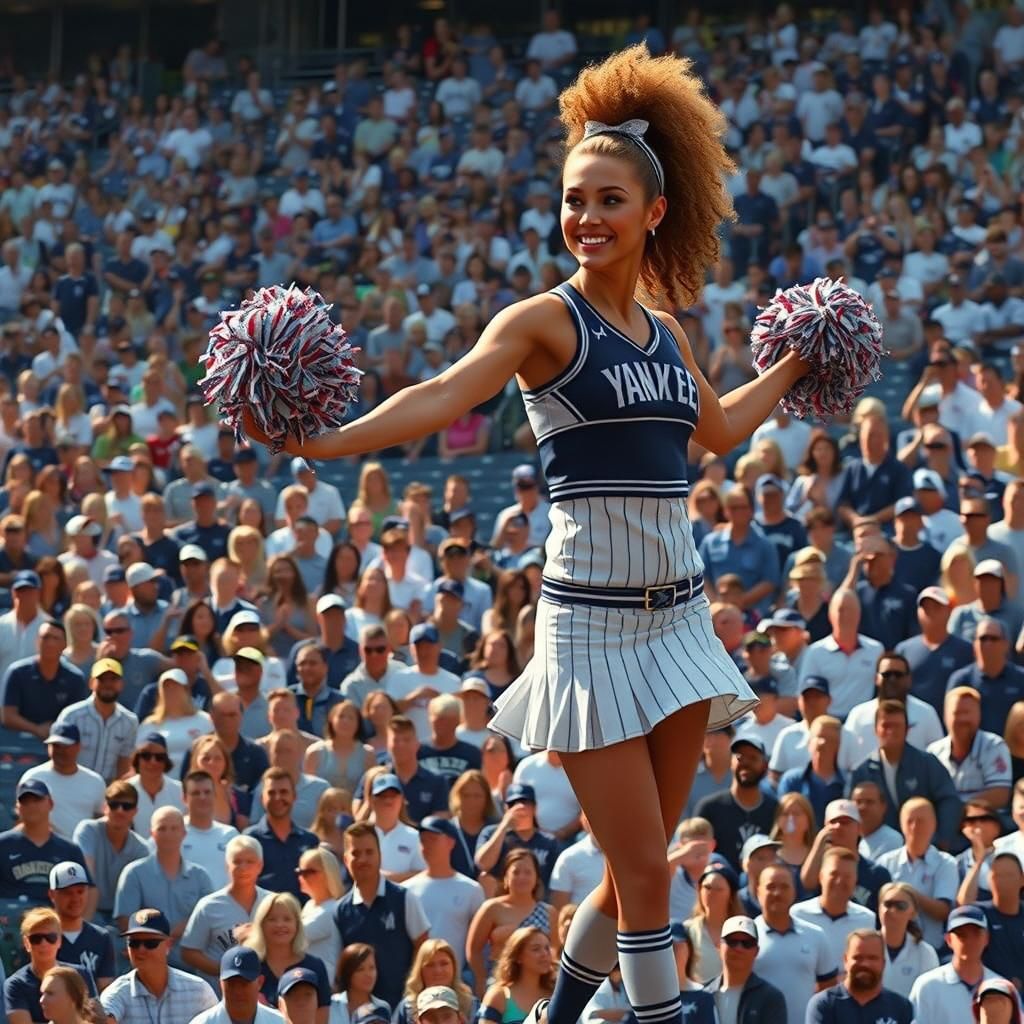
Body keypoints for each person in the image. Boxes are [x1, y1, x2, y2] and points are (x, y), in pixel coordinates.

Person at [245, 45, 809, 1024]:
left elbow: (717, 430)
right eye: (572, 199)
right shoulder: (541, 323)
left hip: (677, 622)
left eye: (607, 200)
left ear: (653, 212)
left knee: (643, 863)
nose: (585, 217)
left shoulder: (669, 335)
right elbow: (443, 391)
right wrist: (327, 441)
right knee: (642, 870)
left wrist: (798, 363)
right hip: (588, 632)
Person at [334, 822, 431, 1010]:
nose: (363, 859)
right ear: (346, 860)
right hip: (360, 1015)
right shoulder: (341, 911)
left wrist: (413, 996)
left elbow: (423, 948)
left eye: (369, 852)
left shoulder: (405, 898)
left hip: (403, 1008)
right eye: (356, 853)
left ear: (380, 856)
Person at [848, 700, 964, 849]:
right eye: (886, 726)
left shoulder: (927, 764)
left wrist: (943, 839)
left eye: (896, 726)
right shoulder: (862, 772)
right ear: (876, 729)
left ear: (907, 730)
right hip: (880, 848)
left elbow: (948, 800)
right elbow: (852, 811)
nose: (890, 731)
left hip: (925, 845)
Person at [113, 806, 214, 964]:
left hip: (192, 965)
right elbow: (125, 921)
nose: (168, 834)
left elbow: (209, 920)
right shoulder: (134, 873)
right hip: (148, 961)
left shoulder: (200, 877)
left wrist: (186, 926)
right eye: (162, 828)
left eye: (174, 828)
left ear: (184, 833)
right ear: (151, 834)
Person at [100, 908, 218, 1024]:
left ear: (168, 945)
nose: (141, 949)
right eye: (134, 943)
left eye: (150, 943)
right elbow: (105, 1017)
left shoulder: (199, 990)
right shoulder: (116, 993)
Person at [180, 834, 272, 983]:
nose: (243, 868)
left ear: (260, 866)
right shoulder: (209, 906)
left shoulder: (272, 903)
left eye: (250, 862)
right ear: (227, 866)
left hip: (265, 990)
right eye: (237, 862)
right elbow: (188, 952)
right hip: (218, 991)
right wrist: (227, 971)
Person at [752, 862, 837, 1024]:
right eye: (770, 887)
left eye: (784, 887)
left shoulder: (816, 935)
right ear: (758, 892)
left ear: (794, 892)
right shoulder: (746, 938)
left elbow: (829, 991)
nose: (777, 893)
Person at [405, 817, 485, 972]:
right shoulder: (407, 889)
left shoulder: (471, 890)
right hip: (417, 979)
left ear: (451, 843)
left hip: (459, 980)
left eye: (433, 839)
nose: (427, 846)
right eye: (423, 841)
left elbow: (479, 943)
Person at [909, 906, 1009, 1024]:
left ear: (986, 938)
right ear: (949, 940)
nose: (969, 941)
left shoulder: (1003, 989)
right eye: (962, 935)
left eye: (976, 934)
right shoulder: (927, 986)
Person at [242, 892, 331, 1021]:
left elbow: (322, 1018)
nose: (280, 925)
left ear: (297, 925)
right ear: (261, 924)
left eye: (287, 919)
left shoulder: (315, 966)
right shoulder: (249, 965)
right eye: (272, 919)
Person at [694, 737, 778, 870]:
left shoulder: (775, 809)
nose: (745, 762)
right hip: (718, 885)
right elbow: (696, 853)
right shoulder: (709, 808)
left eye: (753, 758)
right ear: (730, 762)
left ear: (765, 766)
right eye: (740, 757)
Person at [791, 848, 876, 978]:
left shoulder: (866, 919)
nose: (839, 881)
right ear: (821, 877)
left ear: (855, 881)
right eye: (834, 874)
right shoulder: (798, 914)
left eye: (847, 876)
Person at [71, 780, 149, 920]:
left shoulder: (141, 849)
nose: (120, 810)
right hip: (88, 909)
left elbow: (136, 897)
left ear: (135, 811)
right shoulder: (88, 831)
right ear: (104, 807)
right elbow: (86, 880)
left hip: (122, 917)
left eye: (126, 806)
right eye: (114, 805)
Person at [52, 656, 138, 783]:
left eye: (113, 679)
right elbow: (58, 755)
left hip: (108, 790)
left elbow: (124, 763)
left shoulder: (130, 721)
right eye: (102, 679)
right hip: (72, 783)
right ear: (91, 683)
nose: (108, 684)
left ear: (121, 684)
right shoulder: (72, 715)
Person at [0, 779, 87, 903]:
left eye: (37, 800)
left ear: (50, 803)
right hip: (9, 918)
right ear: (17, 807)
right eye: (25, 802)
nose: (32, 806)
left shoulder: (69, 850)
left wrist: (79, 921)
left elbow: (87, 890)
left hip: (55, 918)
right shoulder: (3, 845)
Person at [4, 906, 95, 1024]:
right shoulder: (16, 984)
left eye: (50, 938)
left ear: (59, 941)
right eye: (36, 939)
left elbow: (96, 1018)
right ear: (26, 943)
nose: (44, 943)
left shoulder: (80, 974)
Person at [18, 721, 107, 840]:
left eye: (66, 746)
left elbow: (100, 823)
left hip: (83, 851)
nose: (61, 751)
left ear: (78, 747)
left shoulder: (95, 782)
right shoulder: (33, 777)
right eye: (56, 746)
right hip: (44, 847)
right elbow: (21, 817)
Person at [1, 619, 88, 741]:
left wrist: (54, 729)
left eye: (55, 638)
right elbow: (8, 716)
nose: (50, 643)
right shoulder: (17, 672)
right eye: (45, 637)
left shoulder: (75, 678)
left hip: (60, 743)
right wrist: (36, 729)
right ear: (37, 641)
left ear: (65, 645)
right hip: (17, 744)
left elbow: (77, 719)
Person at [806, 929, 914, 1024]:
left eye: (872, 958)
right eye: (858, 957)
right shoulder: (825, 1004)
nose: (865, 964)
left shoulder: (900, 1007)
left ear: (883, 963)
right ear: (845, 960)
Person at [244, 766, 320, 898]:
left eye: (284, 792)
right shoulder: (250, 840)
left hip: (303, 916)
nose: (278, 798)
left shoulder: (310, 840)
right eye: (271, 793)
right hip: (262, 916)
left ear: (294, 796)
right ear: (262, 798)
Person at [474, 783, 560, 891]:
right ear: (506, 808)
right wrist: (504, 826)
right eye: (513, 804)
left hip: (536, 900)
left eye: (525, 802)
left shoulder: (549, 841)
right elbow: (483, 864)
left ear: (535, 808)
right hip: (501, 899)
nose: (520, 807)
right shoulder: (491, 832)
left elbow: (556, 882)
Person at [703, 915, 787, 1024]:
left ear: (756, 951)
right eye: (732, 941)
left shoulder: (771, 998)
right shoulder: (704, 996)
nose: (739, 948)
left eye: (747, 943)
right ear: (719, 946)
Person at [47, 861, 115, 993]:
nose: (75, 898)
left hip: (89, 1011)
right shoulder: (41, 937)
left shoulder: (101, 937)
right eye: (68, 892)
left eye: (80, 891)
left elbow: (105, 989)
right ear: (52, 894)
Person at [188, 945, 285, 1024]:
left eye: (244, 983)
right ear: (220, 983)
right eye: (231, 984)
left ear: (260, 982)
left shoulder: (279, 1021)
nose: (237, 991)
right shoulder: (201, 1022)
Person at [478, 926, 556, 1024]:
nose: (545, 954)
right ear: (518, 956)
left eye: (547, 948)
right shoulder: (499, 995)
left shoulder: (555, 994)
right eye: (536, 949)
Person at [878, 882, 940, 998]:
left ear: (913, 913)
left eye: (900, 906)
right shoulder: (864, 947)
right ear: (879, 908)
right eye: (887, 904)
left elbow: (931, 996)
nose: (892, 910)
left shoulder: (925, 952)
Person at [296, 846, 345, 980]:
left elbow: (291, 936)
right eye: (299, 872)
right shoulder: (310, 905)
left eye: (308, 872)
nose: (301, 877)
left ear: (327, 874)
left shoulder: (330, 911)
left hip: (322, 986)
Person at [392, 946, 475, 1024]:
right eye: (431, 1018)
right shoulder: (406, 1006)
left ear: (460, 1019)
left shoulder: (472, 1004)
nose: (438, 970)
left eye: (446, 1017)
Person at [126, 731, 184, 834]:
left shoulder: (180, 791)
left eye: (159, 757)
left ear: (166, 761)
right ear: (137, 759)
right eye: (146, 756)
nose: (153, 762)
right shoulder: (125, 790)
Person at [329, 944, 390, 1024]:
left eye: (372, 968)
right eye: (360, 969)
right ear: (348, 972)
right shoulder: (331, 1004)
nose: (368, 974)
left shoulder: (383, 1007)